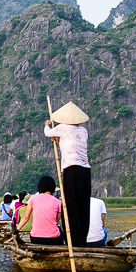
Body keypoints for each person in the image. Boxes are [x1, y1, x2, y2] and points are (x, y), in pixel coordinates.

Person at [44, 102, 92, 247]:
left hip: (71, 169)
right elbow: (73, 146)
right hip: (85, 170)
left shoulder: (62, 127)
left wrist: (47, 124)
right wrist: (59, 142)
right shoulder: (83, 131)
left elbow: (47, 133)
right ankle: (81, 240)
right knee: (83, 205)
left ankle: (73, 242)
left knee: (70, 205)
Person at [24, 175, 64, 245]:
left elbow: (26, 217)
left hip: (35, 238)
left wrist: (17, 230)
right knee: (60, 231)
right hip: (53, 239)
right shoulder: (58, 202)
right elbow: (56, 222)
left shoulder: (33, 198)